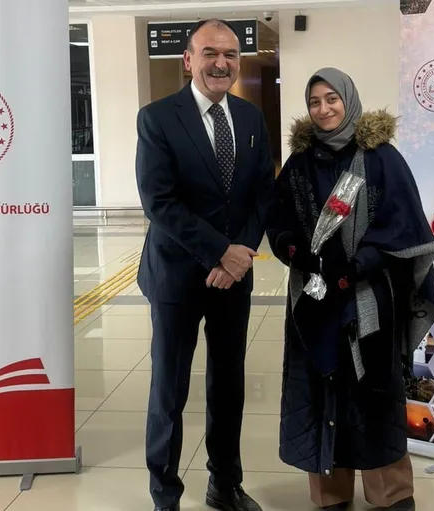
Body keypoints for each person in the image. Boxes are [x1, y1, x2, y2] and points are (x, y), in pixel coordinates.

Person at [266, 68, 434, 510]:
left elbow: (402, 224)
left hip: (367, 296)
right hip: (314, 295)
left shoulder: (381, 158)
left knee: (372, 390)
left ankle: (391, 493)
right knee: (321, 385)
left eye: (332, 99)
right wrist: (294, 250)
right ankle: (330, 492)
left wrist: (357, 264)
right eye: (314, 102)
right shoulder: (300, 162)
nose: (323, 109)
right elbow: (279, 216)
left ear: (348, 100)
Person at [135, 18, 274, 511]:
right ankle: (165, 495)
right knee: (169, 390)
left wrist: (240, 254)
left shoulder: (251, 118)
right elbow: (159, 202)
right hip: (176, 276)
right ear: (188, 60)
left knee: (228, 385)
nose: (221, 63)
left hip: (232, 278)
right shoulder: (157, 118)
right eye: (210, 53)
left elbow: (262, 194)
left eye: (230, 54)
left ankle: (225, 483)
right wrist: (220, 251)